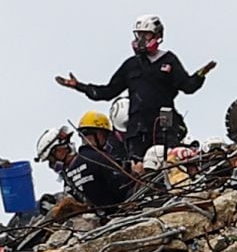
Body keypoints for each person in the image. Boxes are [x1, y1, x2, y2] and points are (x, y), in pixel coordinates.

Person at [55, 15, 216, 160]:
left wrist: (200, 74)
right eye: (139, 35)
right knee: (139, 167)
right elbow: (107, 92)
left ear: (157, 35)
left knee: (168, 162)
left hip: (164, 125)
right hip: (137, 131)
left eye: (146, 35)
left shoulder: (169, 60)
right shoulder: (131, 65)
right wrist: (79, 86)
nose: (141, 39)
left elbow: (188, 86)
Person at [64, 111, 132, 208]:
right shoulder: (101, 159)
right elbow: (122, 189)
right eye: (105, 135)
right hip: (115, 212)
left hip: (90, 216)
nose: (106, 140)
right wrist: (136, 174)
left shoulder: (69, 173)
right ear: (99, 134)